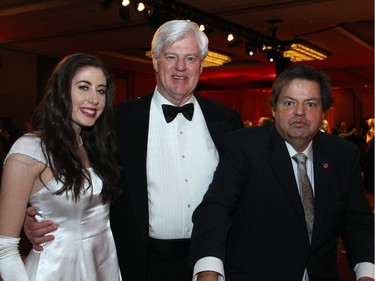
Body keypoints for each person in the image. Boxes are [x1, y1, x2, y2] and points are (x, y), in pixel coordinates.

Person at [23, 20, 244, 281]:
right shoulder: (116, 121)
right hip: (140, 263)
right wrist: (36, 215)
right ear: (155, 61)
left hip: (211, 262)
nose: (181, 67)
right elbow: (76, 173)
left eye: (190, 58)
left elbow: (240, 191)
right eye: (171, 56)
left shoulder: (227, 121)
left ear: (202, 63)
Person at [190, 65, 374, 281]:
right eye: (289, 103)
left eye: (311, 104)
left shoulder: (343, 154)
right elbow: (216, 208)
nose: (300, 112)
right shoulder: (244, 147)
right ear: (274, 109)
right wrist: (208, 269)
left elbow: (357, 221)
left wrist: (367, 274)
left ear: (323, 111)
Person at [0, 53, 123, 280]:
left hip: (103, 269)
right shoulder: (30, 150)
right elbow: (4, 250)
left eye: (101, 90)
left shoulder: (99, 148)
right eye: (83, 87)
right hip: (55, 272)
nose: (94, 99)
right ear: (61, 92)